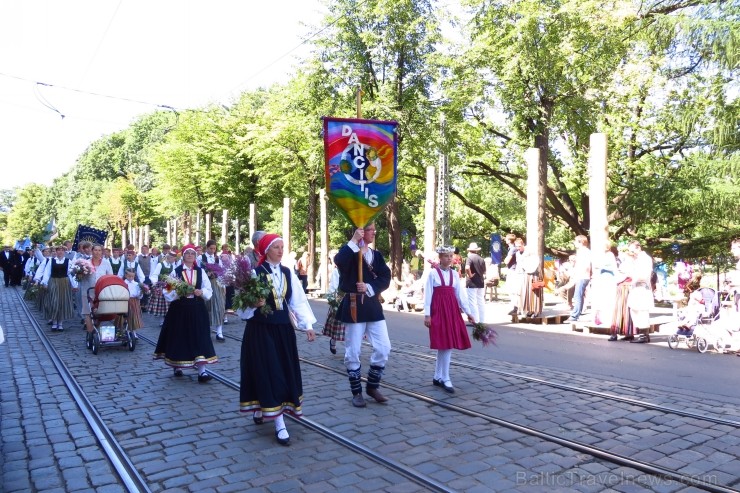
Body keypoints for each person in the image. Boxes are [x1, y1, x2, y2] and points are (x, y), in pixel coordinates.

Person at [238, 233, 316, 446]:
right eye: (276, 247)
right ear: (265, 250)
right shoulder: (254, 274)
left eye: (282, 247)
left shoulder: (287, 272)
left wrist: (307, 325)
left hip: (283, 330)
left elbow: (298, 300)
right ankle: (279, 423)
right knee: (268, 371)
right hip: (261, 330)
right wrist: (253, 305)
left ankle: (263, 407)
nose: (281, 251)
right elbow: (241, 309)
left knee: (282, 371)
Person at [334, 224, 392, 408]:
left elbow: (385, 277)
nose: (374, 232)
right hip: (353, 306)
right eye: (369, 229)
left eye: (375, 229)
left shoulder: (376, 255)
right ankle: (357, 391)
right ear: (360, 232)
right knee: (353, 351)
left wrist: (368, 286)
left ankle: (372, 386)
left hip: (372, 305)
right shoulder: (350, 252)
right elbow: (339, 261)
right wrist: (352, 241)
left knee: (384, 347)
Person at [154, 244, 218, 382]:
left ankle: (202, 371)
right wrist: (179, 293)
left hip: (197, 308)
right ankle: (178, 366)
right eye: (187, 253)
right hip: (180, 309)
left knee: (199, 336)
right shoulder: (175, 272)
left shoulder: (200, 272)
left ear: (195, 257)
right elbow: (167, 291)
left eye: (192, 254)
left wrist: (202, 292)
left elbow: (209, 290)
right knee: (179, 336)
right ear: (183, 256)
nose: (190, 255)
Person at [424, 246, 476, 394]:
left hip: (451, 310)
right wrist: (427, 314)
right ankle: (444, 377)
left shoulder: (454, 274)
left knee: (446, 343)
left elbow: (460, 295)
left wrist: (468, 312)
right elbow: (428, 294)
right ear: (440, 257)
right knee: (445, 342)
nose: (449, 258)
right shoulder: (433, 274)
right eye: (446, 256)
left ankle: (439, 375)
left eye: (451, 256)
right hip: (439, 310)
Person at [40, 246, 77, 331]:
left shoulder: (68, 261)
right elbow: (47, 272)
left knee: (62, 302)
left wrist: (74, 285)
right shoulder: (51, 261)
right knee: (54, 301)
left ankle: (60, 323)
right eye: (58, 250)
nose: (60, 252)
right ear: (56, 252)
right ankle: (54, 322)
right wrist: (44, 283)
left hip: (64, 283)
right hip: (53, 282)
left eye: (62, 250)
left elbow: (70, 274)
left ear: (64, 252)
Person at [79, 244, 114, 334]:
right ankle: (90, 332)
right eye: (95, 250)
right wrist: (80, 273)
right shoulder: (85, 262)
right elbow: (79, 276)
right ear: (92, 251)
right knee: (87, 311)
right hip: (87, 289)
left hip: (101, 291)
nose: (97, 252)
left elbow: (110, 276)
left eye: (99, 250)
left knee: (99, 311)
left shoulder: (106, 263)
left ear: (102, 252)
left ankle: (97, 328)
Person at [202, 239, 226, 342]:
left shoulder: (217, 259)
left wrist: (223, 285)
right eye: (211, 248)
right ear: (207, 248)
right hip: (206, 284)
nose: (212, 250)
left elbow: (221, 272)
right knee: (208, 306)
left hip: (216, 284)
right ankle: (206, 330)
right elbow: (199, 270)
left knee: (219, 306)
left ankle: (219, 332)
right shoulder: (201, 258)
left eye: (214, 248)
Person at [566, 235, 592, 322]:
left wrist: (577, 275)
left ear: (581, 242)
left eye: (575, 241)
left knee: (577, 296)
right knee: (579, 295)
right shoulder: (585, 251)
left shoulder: (583, 252)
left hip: (582, 276)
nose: (574, 243)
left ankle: (574, 316)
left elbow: (585, 266)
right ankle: (576, 314)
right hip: (583, 276)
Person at [148, 251, 177, 320]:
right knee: (162, 303)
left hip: (169, 285)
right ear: (169, 257)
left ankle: (167, 318)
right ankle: (162, 320)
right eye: (173, 259)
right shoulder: (160, 264)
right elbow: (155, 274)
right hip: (161, 285)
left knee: (168, 301)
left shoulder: (172, 266)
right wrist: (155, 283)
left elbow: (173, 276)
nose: (174, 260)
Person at [322, 266, 345, 355]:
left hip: (353, 300)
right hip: (340, 299)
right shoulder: (337, 270)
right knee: (338, 324)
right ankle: (333, 341)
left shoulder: (356, 268)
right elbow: (333, 286)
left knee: (352, 327)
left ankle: (351, 350)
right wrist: (333, 300)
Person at [465, 242, 486, 323]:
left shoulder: (470, 258)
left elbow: (467, 267)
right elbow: (484, 271)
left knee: (472, 302)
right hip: (480, 281)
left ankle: (475, 320)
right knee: (481, 301)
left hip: (472, 282)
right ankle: (482, 320)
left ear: (469, 251)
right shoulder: (481, 259)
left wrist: (470, 275)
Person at [503, 235, 524, 315]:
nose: (505, 239)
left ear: (509, 240)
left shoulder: (513, 249)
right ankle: (515, 307)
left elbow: (506, 261)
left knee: (512, 290)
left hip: (513, 270)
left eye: (506, 238)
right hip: (513, 270)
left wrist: (505, 260)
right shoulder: (512, 249)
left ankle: (516, 307)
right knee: (511, 290)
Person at [123, 268, 144, 334]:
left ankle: (133, 332)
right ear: (126, 275)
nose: (131, 278)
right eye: (129, 276)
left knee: (134, 317)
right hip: (125, 301)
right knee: (124, 316)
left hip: (134, 302)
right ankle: (124, 331)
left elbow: (139, 295)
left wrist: (141, 293)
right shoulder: (123, 283)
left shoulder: (136, 284)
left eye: (132, 276)